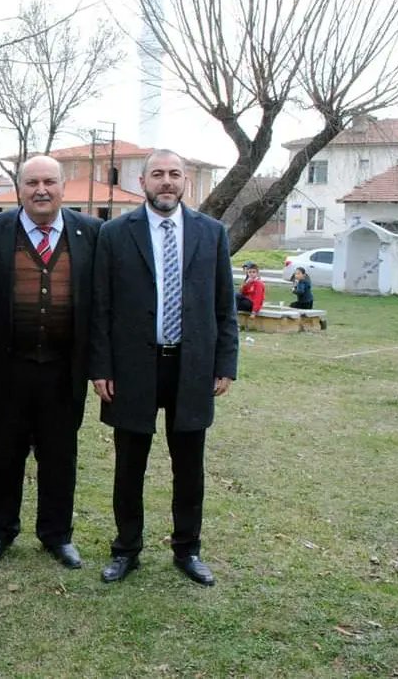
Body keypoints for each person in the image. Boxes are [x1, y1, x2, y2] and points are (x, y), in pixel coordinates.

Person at [89, 149, 239, 587]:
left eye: (175, 174)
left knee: (189, 466)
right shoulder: (115, 234)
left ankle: (187, 550)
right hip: (133, 368)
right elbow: (101, 306)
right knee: (129, 464)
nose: (166, 182)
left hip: (192, 366)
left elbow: (223, 305)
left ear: (186, 182)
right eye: (158, 174)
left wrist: (225, 363)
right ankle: (125, 549)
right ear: (143, 182)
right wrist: (101, 367)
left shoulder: (211, 233)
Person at [0, 155, 101, 569]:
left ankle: (56, 534)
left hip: (65, 369)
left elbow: (101, 307)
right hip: (8, 368)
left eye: (49, 182)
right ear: (19, 188)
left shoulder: (92, 233)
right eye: (32, 183)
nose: (41, 190)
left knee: (60, 455)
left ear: (64, 187)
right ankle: (0, 530)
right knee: (4, 453)